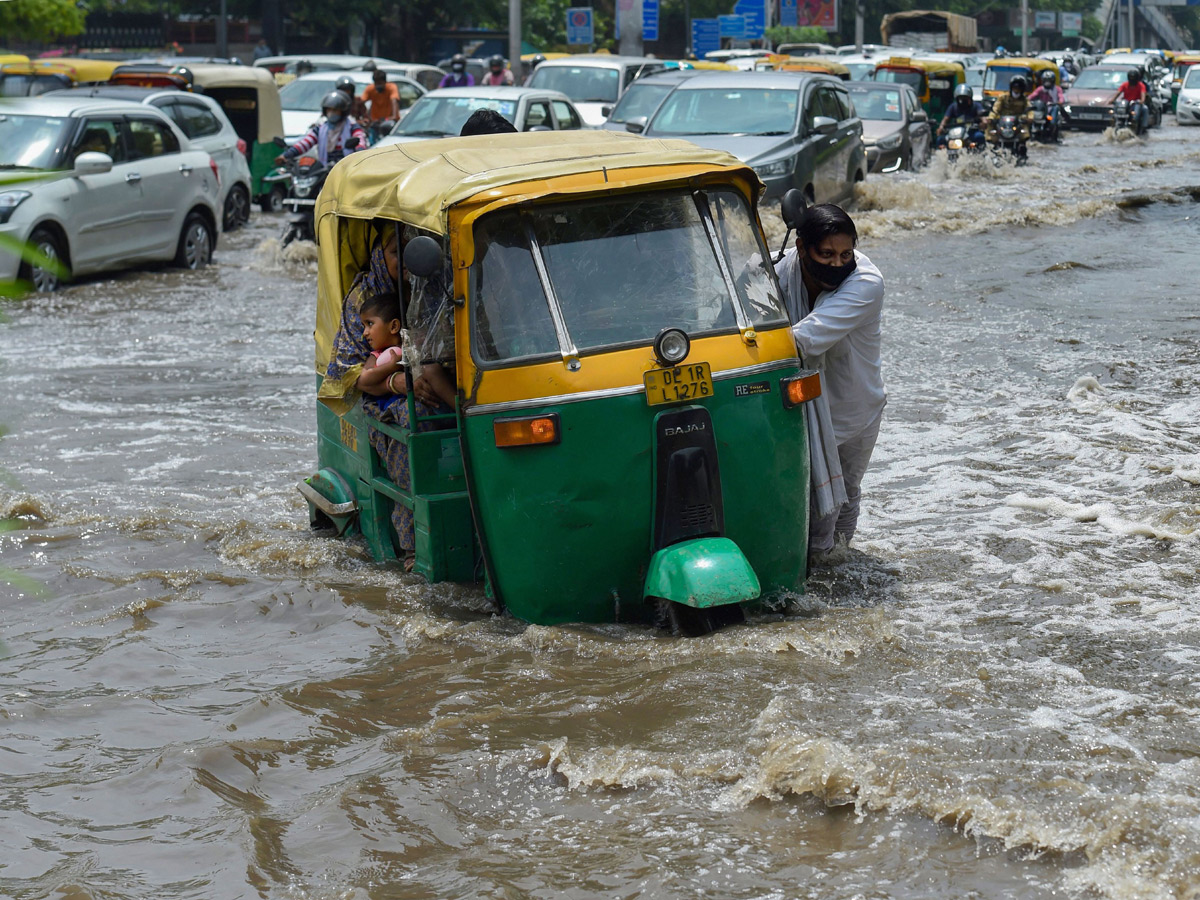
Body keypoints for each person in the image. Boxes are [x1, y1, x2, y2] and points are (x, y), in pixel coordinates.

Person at [325, 229, 456, 569]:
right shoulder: (363, 299)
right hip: (381, 401)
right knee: (408, 426)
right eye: (397, 252)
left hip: (435, 381)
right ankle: (413, 545)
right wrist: (399, 381)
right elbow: (353, 375)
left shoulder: (439, 282)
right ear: (379, 254)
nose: (407, 262)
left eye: (414, 251)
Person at [774, 204, 885, 555]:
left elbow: (804, 339)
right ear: (802, 249)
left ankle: (834, 565)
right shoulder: (772, 272)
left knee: (844, 492)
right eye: (826, 254)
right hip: (792, 401)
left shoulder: (866, 283)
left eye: (845, 254)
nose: (838, 264)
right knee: (795, 492)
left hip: (853, 408)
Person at [274, 91, 366, 166]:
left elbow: (360, 139)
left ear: (343, 112)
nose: (331, 113)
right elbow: (305, 143)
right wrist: (286, 155)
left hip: (347, 169)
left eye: (335, 110)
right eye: (329, 110)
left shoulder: (352, 127)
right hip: (325, 170)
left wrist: (360, 150)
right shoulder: (320, 129)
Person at [985, 73, 1032, 155]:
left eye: (1019, 88)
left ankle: (1021, 148)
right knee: (991, 128)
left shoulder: (1025, 100)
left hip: (1017, 122)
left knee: (1024, 132)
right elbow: (995, 108)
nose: (1016, 90)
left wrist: (1029, 118)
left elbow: (1030, 110)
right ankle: (992, 145)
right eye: (1015, 87)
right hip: (1002, 121)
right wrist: (991, 118)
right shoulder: (1003, 97)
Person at [937, 83, 985, 149]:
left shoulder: (976, 106)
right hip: (955, 132)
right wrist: (941, 127)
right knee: (940, 139)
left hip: (971, 131)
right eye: (960, 98)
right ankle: (941, 156)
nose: (963, 101)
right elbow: (945, 119)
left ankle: (981, 154)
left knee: (979, 137)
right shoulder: (953, 107)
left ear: (970, 98)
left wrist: (984, 122)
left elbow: (983, 117)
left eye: (965, 98)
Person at [361, 69, 401, 143]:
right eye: (376, 83)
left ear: (385, 82)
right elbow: (361, 102)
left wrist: (393, 117)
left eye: (380, 83)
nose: (377, 86)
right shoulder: (370, 89)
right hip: (376, 122)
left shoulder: (391, 87)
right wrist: (365, 116)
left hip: (388, 123)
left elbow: (394, 100)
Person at [1027, 70, 1064, 141]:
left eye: (1049, 80)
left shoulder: (1057, 89)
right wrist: (1027, 101)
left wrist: (1059, 102)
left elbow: (1061, 97)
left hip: (1052, 108)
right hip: (1041, 109)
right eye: (1046, 80)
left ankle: (1052, 132)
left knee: (1053, 117)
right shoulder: (1040, 89)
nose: (1047, 82)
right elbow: (1032, 96)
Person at [1116, 68, 1150, 134]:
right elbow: (1118, 93)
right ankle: (1116, 122)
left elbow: (1143, 94)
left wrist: (1142, 101)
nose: (1132, 79)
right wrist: (1112, 100)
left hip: (1137, 103)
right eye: (1131, 77)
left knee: (1145, 109)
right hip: (1126, 104)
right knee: (1116, 108)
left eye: (1133, 77)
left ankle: (1143, 126)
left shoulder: (1141, 85)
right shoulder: (1124, 84)